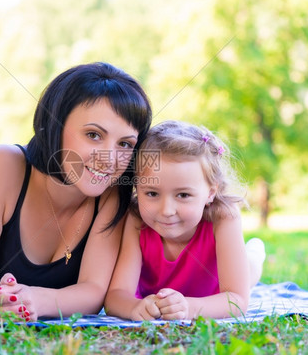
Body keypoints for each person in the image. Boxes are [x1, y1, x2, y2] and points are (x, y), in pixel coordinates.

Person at [0, 62, 152, 321]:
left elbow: (93, 292)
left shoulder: (113, 193)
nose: (109, 159)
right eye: (94, 135)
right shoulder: (4, 166)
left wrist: (36, 301)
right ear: (55, 124)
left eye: (124, 144)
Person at [104, 120, 265, 321]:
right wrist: (135, 307)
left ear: (210, 192)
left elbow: (237, 300)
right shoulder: (137, 221)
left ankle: (255, 253)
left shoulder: (223, 217)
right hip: (167, 298)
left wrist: (189, 307)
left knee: (249, 271)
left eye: (183, 195)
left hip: (215, 289)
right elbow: (116, 296)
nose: (166, 211)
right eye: (152, 193)